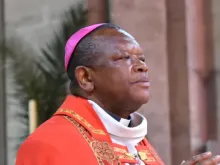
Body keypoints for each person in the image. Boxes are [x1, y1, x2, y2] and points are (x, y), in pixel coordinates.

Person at [15, 23, 220, 165]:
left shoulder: (138, 144)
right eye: (124, 57)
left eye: (142, 59)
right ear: (86, 78)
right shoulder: (49, 145)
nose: (142, 67)